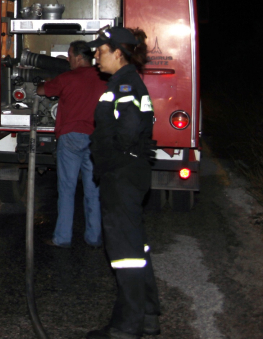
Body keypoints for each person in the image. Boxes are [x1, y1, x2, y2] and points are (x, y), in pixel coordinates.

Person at [85, 27, 161, 339]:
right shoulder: (122, 83)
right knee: (135, 246)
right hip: (127, 173)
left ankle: (127, 327)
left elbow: (127, 134)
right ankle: (148, 315)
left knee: (124, 252)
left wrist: (110, 162)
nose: (95, 57)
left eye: (100, 51)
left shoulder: (126, 86)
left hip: (123, 175)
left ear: (118, 52)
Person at [36, 40, 106, 248]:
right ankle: (94, 237)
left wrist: (45, 81)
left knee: (67, 189)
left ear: (77, 57)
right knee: (93, 190)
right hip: (95, 139)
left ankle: (63, 238)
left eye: (69, 56)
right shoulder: (103, 78)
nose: (67, 59)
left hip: (71, 137)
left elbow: (42, 91)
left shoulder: (67, 78)